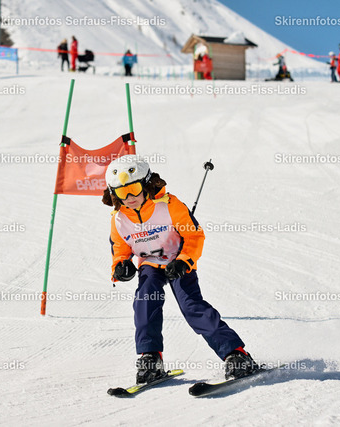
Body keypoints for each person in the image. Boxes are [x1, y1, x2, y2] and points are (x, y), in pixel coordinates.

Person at [102, 155, 258, 384]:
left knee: (191, 306)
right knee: (145, 301)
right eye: (122, 192)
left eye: (133, 189)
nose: (129, 197)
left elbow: (194, 235)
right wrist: (120, 265)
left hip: (177, 261)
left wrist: (184, 260)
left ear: (146, 183)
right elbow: (120, 248)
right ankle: (150, 358)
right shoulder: (119, 219)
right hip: (150, 264)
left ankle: (236, 354)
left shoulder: (169, 205)